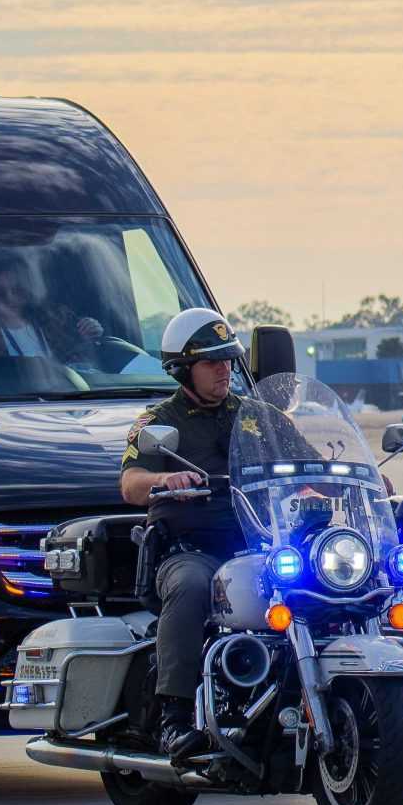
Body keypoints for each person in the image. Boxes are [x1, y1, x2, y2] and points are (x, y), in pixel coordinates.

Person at [118, 308, 247, 760]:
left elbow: (306, 461)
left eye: (228, 359)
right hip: (188, 550)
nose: (224, 369)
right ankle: (173, 717)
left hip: (255, 549)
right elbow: (130, 483)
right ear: (183, 369)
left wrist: (350, 478)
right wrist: (162, 481)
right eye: (212, 361)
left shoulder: (256, 417)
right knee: (192, 588)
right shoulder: (159, 421)